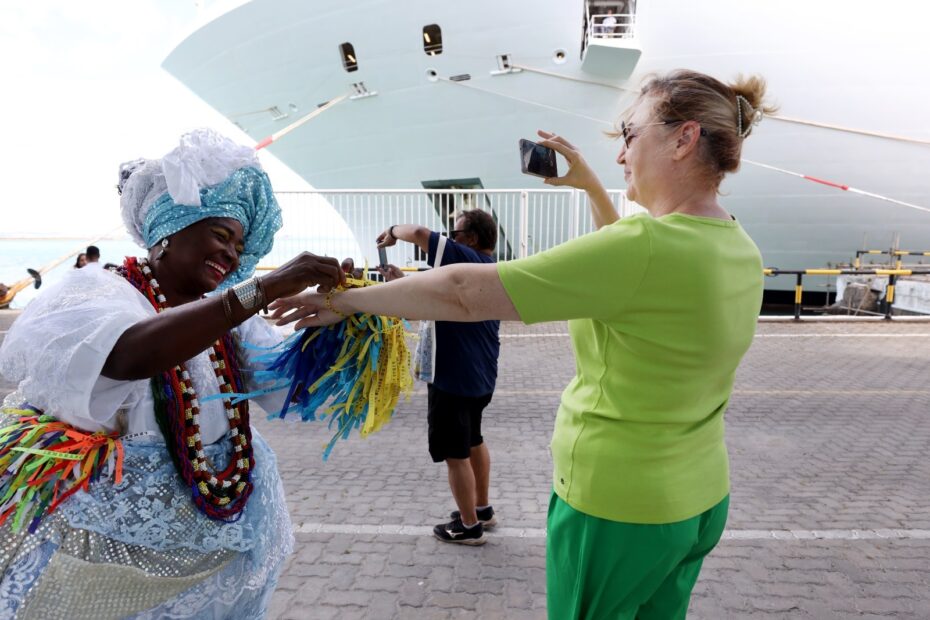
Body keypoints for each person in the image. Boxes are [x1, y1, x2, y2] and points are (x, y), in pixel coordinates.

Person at [271, 69, 773, 618]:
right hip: (696, 499)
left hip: (619, 503)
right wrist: (589, 188)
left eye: (630, 134)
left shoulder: (646, 246)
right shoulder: (737, 244)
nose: (622, 154)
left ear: (684, 138)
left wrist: (346, 301)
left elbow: (465, 293)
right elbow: (630, 272)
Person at [0, 128, 344, 618]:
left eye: (239, 245)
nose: (232, 254)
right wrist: (259, 291)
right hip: (105, 545)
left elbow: (290, 387)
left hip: (208, 538)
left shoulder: (227, 320)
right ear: (167, 231)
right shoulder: (100, 290)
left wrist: (354, 314)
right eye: (221, 235)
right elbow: (127, 355)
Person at [374, 210, 501, 545]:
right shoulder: (490, 271)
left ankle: (469, 527)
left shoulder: (465, 259)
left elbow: (417, 231)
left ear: (471, 239)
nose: (450, 237)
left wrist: (391, 230)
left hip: (453, 377)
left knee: (454, 453)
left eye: (455, 232)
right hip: (481, 375)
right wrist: (400, 281)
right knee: (474, 439)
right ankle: (482, 509)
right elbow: (432, 304)